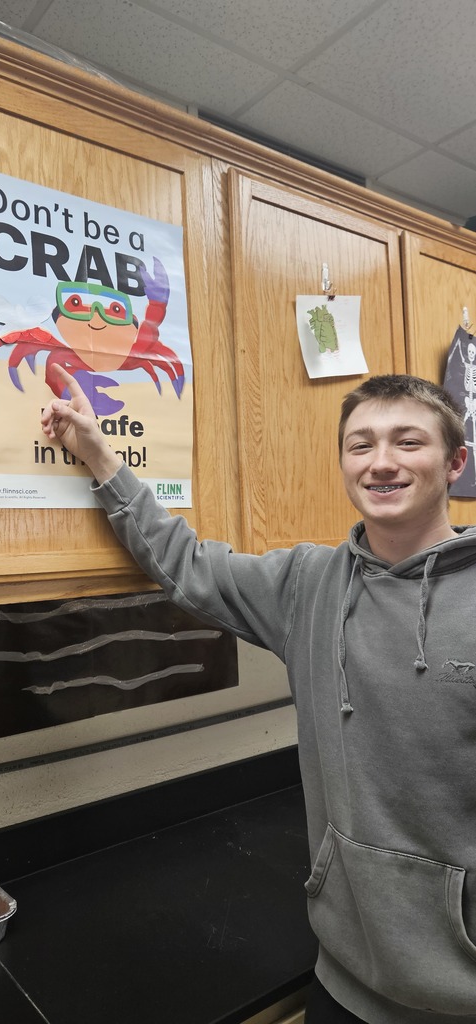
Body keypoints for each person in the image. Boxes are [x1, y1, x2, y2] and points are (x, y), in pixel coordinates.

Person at [41, 368, 476, 1024]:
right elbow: (183, 563)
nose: (380, 463)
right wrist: (99, 454)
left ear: (455, 463)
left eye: (407, 442)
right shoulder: (304, 584)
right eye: (360, 446)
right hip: (343, 985)